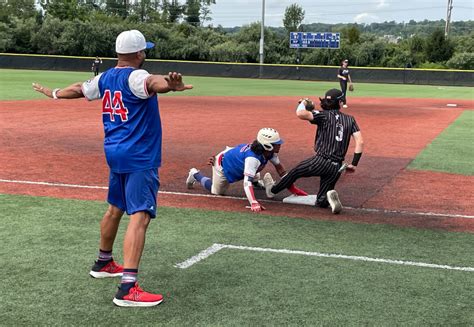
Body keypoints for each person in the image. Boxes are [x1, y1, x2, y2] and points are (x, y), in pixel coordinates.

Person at [32, 29, 193, 307]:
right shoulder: (137, 76)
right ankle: (128, 288)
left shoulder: (105, 77)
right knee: (140, 216)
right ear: (139, 53)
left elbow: (79, 89)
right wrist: (171, 85)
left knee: (115, 208)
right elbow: (154, 82)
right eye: (145, 51)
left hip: (115, 152)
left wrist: (54, 93)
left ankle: (103, 262)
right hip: (139, 155)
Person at [263, 89, 364, 214]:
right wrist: (354, 164)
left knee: (294, 172)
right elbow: (360, 142)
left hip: (321, 161)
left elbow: (300, 113)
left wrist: (303, 102)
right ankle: (327, 199)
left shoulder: (323, 115)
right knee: (320, 200)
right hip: (337, 166)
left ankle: (272, 191)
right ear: (340, 102)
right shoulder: (350, 119)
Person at [186, 128, 307, 212]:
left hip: (238, 160)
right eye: (276, 143)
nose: (279, 145)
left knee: (254, 173)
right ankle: (195, 174)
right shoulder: (252, 159)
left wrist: (294, 190)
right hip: (223, 166)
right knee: (216, 191)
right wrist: (253, 202)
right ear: (267, 145)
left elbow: (282, 172)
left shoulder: (269, 152)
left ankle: (256, 180)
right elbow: (246, 182)